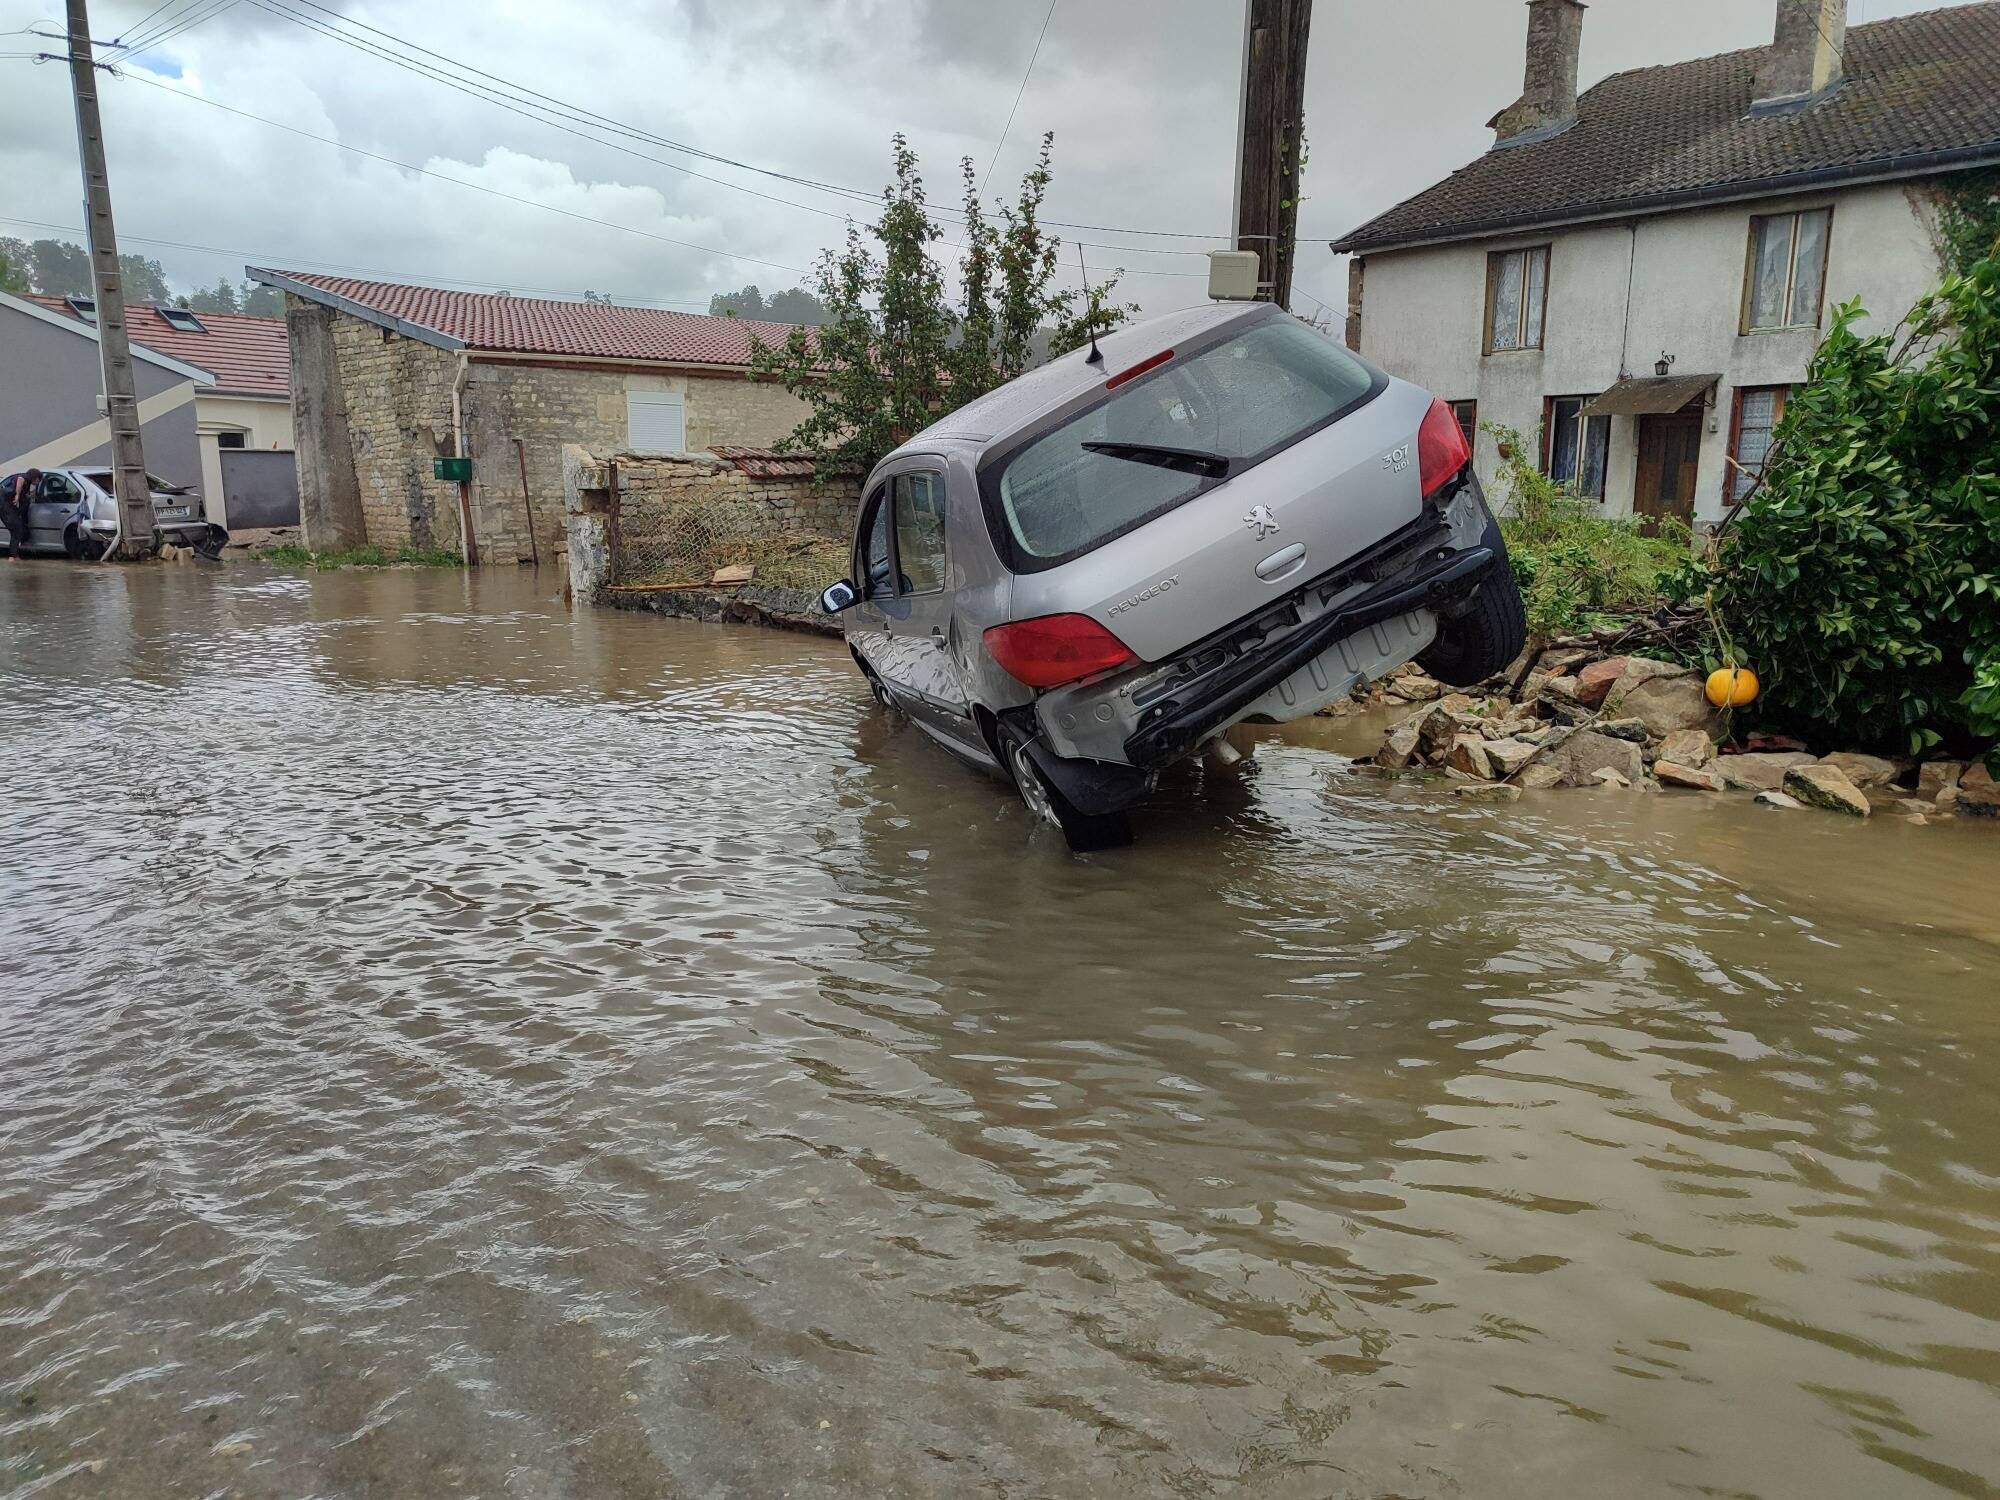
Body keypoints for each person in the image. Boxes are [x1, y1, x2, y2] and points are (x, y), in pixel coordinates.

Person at [0, 469, 38, 560]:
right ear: (35, 477)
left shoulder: (27, 485)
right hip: (5, 506)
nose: (38, 482)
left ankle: (14, 555)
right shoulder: (25, 478)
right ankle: (13, 556)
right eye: (38, 480)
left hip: (8, 507)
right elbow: (20, 479)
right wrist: (17, 495)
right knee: (16, 530)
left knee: (17, 530)